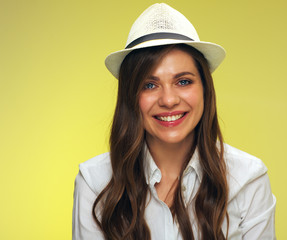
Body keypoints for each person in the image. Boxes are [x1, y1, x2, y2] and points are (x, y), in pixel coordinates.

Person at [72, 3, 276, 240]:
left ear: (204, 90)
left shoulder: (248, 179)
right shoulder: (95, 182)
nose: (168, 100)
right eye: (149, 85)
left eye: (183, 81)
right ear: (131, 96)